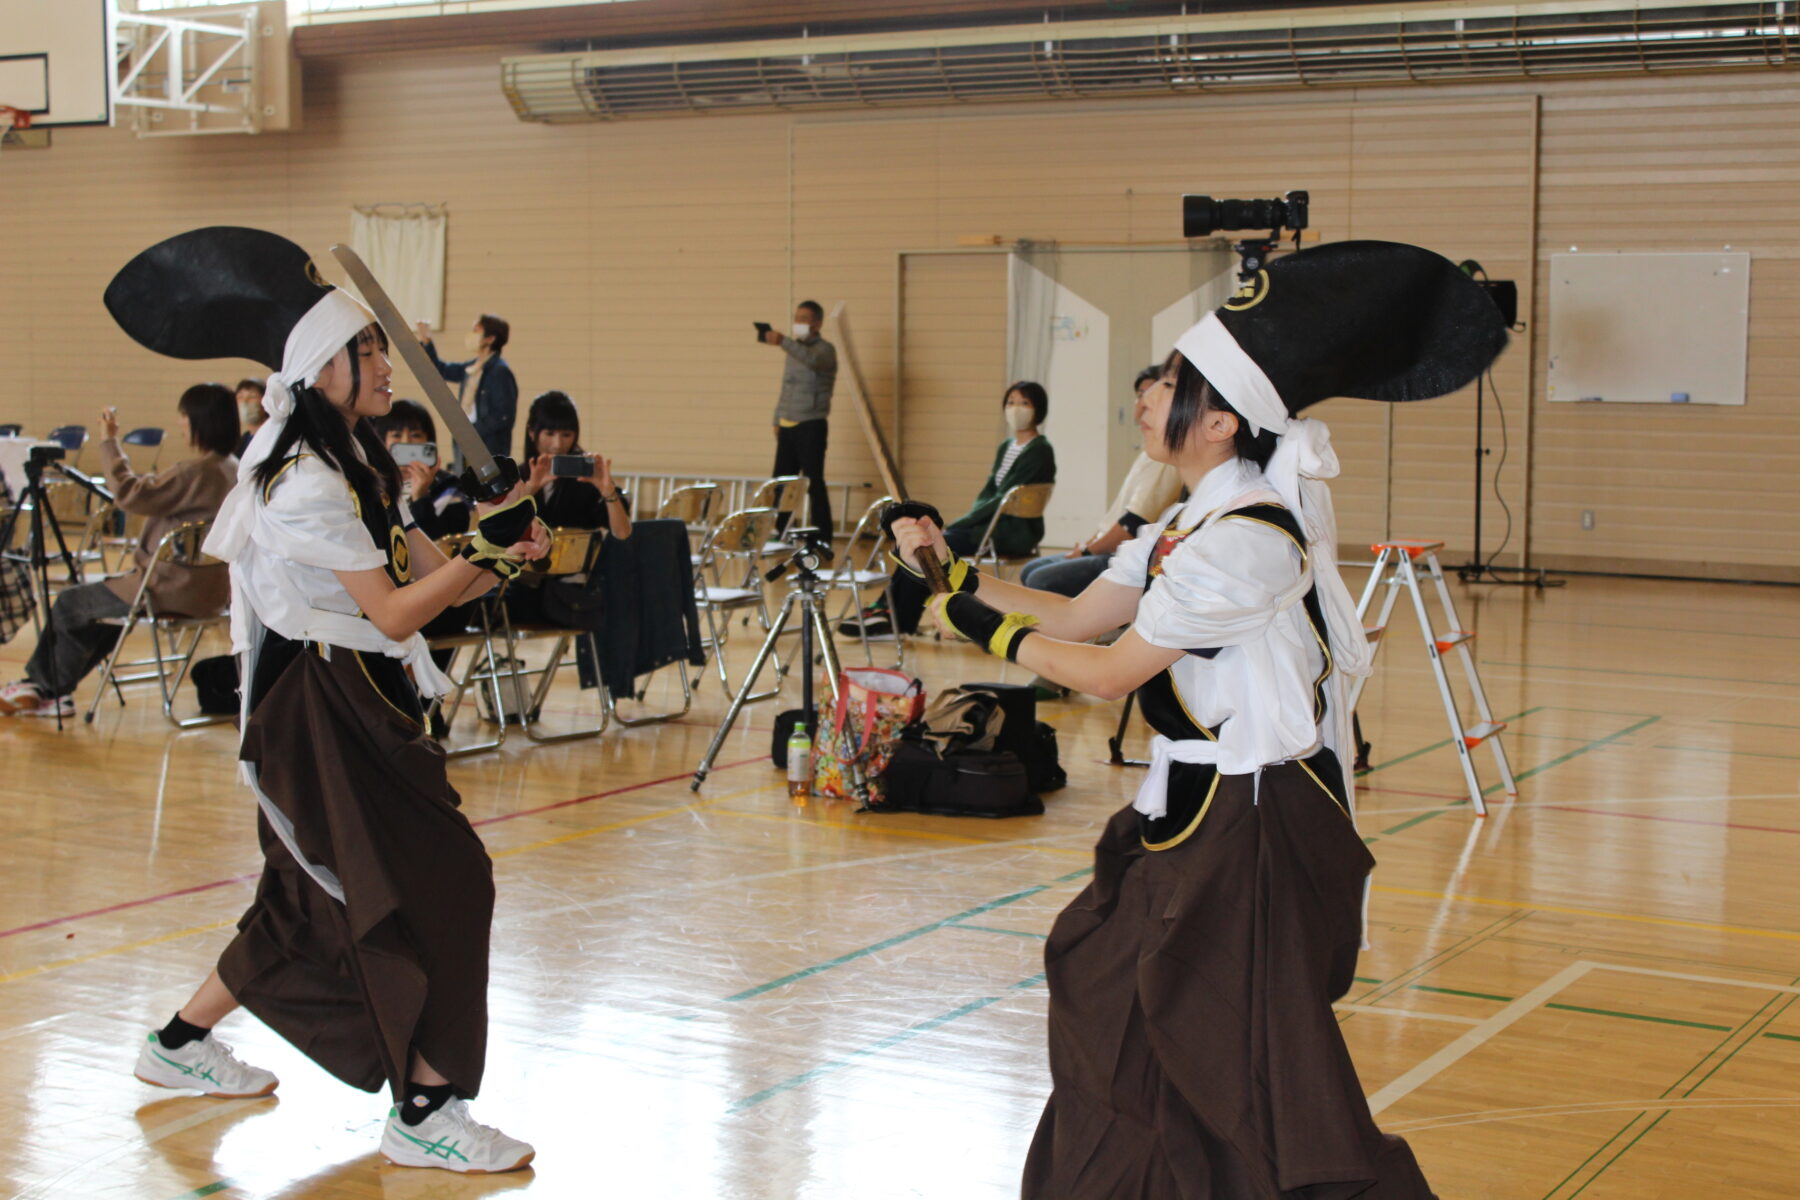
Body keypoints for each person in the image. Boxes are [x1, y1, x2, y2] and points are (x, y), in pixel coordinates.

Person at [888, 241, 1506, 1198]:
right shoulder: (1188, 523)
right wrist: (957, 572)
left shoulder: (1249, 541)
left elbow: (1106, 672)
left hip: (1250, 831)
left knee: (1246, 1069)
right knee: (1107, 994)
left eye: (1169, 382)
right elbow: (1082, 610)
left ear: (1219, 423)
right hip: (1190, 811)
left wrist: (973, 624)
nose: (1147, 393)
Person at [104, 226, 548, 1174]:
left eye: (381, 348)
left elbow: (433, 581)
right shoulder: (298, 482)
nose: (388, 363)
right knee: (448, 885)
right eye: (370, 350)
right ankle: (426, 1108)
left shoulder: (357, 465)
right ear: (321, 372)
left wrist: (496, 552)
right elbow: (393, 614)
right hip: (320, 710)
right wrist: (476, 557)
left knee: (305, 908)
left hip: (364, 700)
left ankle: (175, 1048)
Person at [0, 385, 238, 719]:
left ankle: (42, 686)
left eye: (183, 417)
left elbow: (129, 494)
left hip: (165, 590)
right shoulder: (235, 469)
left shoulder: (194, 473)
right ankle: (51, 691)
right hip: (212, 593)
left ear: (200, 421)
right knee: (99, 612)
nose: (180, 424)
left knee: (70, 603)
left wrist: (110, 441)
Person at [855, 381, 1055, 638]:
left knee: (929, 546)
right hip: (989, 524)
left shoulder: (1040, 450)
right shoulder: (1006, 447)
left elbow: (1002, 500)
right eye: (1011, 402)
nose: (1016, 409)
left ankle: (896, 616)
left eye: (1024, 403)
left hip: (1011, 530)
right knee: (919, 545)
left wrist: (965, 522)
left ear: (1039, 409)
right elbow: (988, 493)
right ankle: (888, 610)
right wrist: (970, 520)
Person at [1017, 364, 1182, 598]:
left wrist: (1086, 552)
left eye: (1155, 394)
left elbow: (1132, 525)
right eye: (1140, 395)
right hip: (1108, 549)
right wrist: (1088, 545)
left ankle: (1066, 630)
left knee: (1039, 578)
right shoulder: (1148, 451)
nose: (1144, 403)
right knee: (1031, 570)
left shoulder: (1165, 457)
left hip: (1123, 556)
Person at [504, 390, 631, 628]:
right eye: (549, 433)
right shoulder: (517, 476)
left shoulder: (587, 478)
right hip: (521, 589)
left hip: (573, 597)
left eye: (566, 434)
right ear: (532, 432)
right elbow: (498, 530)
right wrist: (532, 488)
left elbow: (622, 532)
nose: (557, 444)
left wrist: (607, 490)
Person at [763, 299, 837, 541]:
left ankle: (822, 533)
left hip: (811, 423)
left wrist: (783, 341)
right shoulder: (793, 350)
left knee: (814, 482)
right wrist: (777, 418)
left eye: (804, 319)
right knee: (782, 482)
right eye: (797, 318)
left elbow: (812, 361)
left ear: (817, 323)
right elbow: (786, 386)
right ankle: (782, 529)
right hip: (787, 423)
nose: (799, 323)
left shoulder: (825, 350)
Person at [417, 314, 517, 462]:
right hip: (466, 444)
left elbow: (503, 416)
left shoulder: (500, 371)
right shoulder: (473, 367)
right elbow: (441, 369)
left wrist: (472, 432)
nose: (471, 335)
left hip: (488, 448)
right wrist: (427, 342)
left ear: (490, 339)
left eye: (476, 331)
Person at [372, 398, 470, 542]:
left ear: (428, 441)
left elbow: (444, 544)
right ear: (383, 441)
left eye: (415, 435)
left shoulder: (449, 487)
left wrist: (421, 497)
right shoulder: (373, 484)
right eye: (396, 435)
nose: (406, 442)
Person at [234, 378, 266, 458]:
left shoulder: (274, 438)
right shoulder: (242, 442)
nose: (245, 402)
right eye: (240, 397)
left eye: (252, 397)